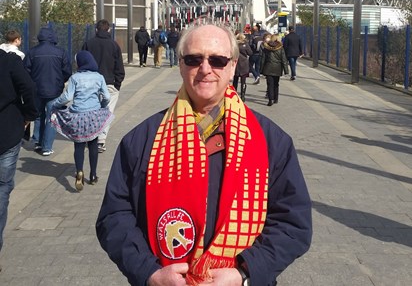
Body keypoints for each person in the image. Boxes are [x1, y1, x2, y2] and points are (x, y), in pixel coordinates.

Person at [96, 23, 312, 286]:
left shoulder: (271, 141)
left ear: (233, 66)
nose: (205, 69)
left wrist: (245, 273)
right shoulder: (141, 139)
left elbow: (293, 223)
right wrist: (149, 273)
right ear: (180, 64)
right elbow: (114, 216)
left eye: (218, 60)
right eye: (194, 59)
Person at [50, 51, 113, 191]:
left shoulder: (75, 78)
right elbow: (107, 96)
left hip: (78, 115)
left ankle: (79, 171)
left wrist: (56, 105)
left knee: (78, 145)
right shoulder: (99, 77)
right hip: (94, 115)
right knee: (93, 144)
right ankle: (93, 175)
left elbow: (67, 97)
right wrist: (102, 105)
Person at [0, 50, 37, 261]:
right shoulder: (9, 61)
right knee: (3, 187)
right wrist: (28, 114)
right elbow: (29, 87)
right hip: (6, 133)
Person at [24, 27, 72, 156]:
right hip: (54, 90)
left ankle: (38, 141)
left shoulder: (32, 52)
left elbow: (25, 72)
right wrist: (61, 82)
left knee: (39, 115)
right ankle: (46, 147)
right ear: (53, 37)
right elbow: (67, 71)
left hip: (36, 89)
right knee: (52, 117)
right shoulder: (60, 52)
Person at [82, 19, 125, 153]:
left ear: (96, 29)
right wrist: (117, 83)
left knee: (90, 110)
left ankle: (90, 136)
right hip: (109, 83)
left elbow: (81, 62)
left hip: (90, 83)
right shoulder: (114, 45)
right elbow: (119, 66)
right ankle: (100, 140)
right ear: (109, 30)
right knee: (106, 112)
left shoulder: (88, 44)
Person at [260, 33, 289, 106]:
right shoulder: (281, 48)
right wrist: (286, 71)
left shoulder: (266, 48)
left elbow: (263, 59)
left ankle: (270, 100)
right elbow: (284, 60)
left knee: (270, 84)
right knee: (276, 84)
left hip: (268, 67)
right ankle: (276, 98)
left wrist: (261, 70)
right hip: (278, 68)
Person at [232, 33, 253, 101]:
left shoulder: (234, 45)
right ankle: (243, 95)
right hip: (244, 63)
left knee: (235, 80)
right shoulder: (245, 44)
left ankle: (234, 94)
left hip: (236, 63)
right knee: (243, 81)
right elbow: (250, 53)